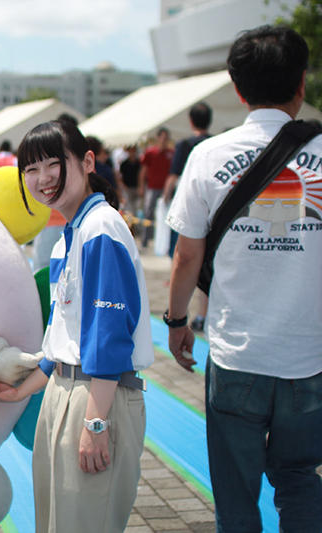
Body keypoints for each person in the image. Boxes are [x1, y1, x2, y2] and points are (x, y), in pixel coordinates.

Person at [165, 25, 322, 532]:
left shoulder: (208, 156)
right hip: (310, 359)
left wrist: (176, 321)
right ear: (302, 82)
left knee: (235, 496)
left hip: (237, 356)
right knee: (299, 479)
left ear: (237, 88)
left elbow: (187, 256)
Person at [0, 119, 153, 532]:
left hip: (96, 397)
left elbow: (108, 335)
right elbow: (63, 340)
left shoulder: (101, 228)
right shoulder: (65, 241)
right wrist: (20, 391)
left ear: (88, 162)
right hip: (63, 392)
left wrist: (95, 423)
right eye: (31, 169)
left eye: (53, 164)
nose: (43, 178)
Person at [164, 102, 213, 329]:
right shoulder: (214, 144)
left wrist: (165, 198)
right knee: (208, 264)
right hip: (212, 208)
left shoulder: (185, 145)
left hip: (188, 207)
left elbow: (174, 175)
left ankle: (179, 311)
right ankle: (203, 314)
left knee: (183, 256)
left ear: (191, 120)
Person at [138, 127, 173, 247]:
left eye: (166, 138)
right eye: (162, 137)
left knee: (166, 213)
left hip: (166, 188)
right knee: (148, 212)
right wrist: (141, 186)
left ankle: (164, 241)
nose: (164, 140)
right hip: (152, 187)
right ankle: (145, 239)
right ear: (158, 138)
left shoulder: (171, 153)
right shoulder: (151, 152)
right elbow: (143, 170)